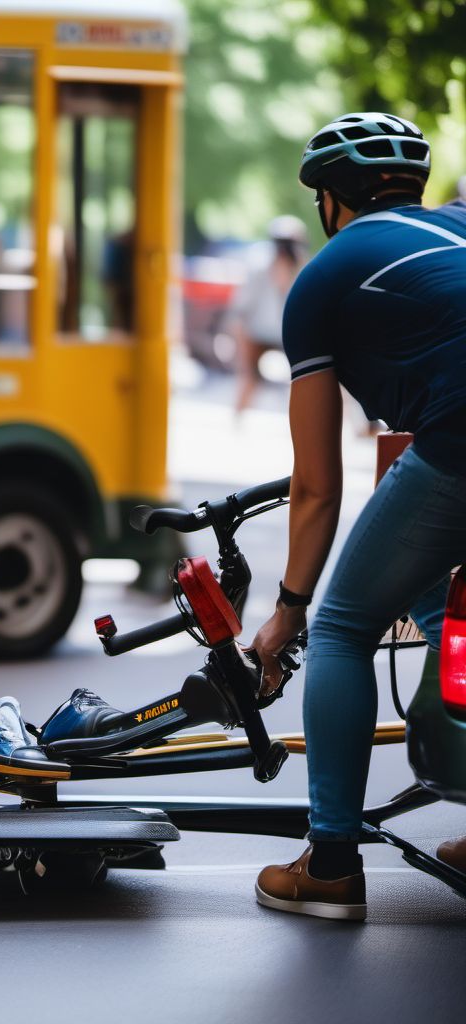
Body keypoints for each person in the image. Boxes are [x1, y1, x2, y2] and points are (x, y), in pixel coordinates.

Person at [249, 112, 466, 920]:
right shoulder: (459, 228)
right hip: (448, 439)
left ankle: (332, 862)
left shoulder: (324, 277)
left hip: (459, 439)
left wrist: (289, 609)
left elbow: (316, 486)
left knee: (343, 623)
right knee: (439, 604)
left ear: (330, 204)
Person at [230, 216, 308, 414]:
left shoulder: (304, 270)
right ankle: (238, 417)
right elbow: (241, 310)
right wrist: (240, 348)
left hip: (288, 333)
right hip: (257, 333)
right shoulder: (259, 268)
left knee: (303, 378)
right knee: (249, 377)